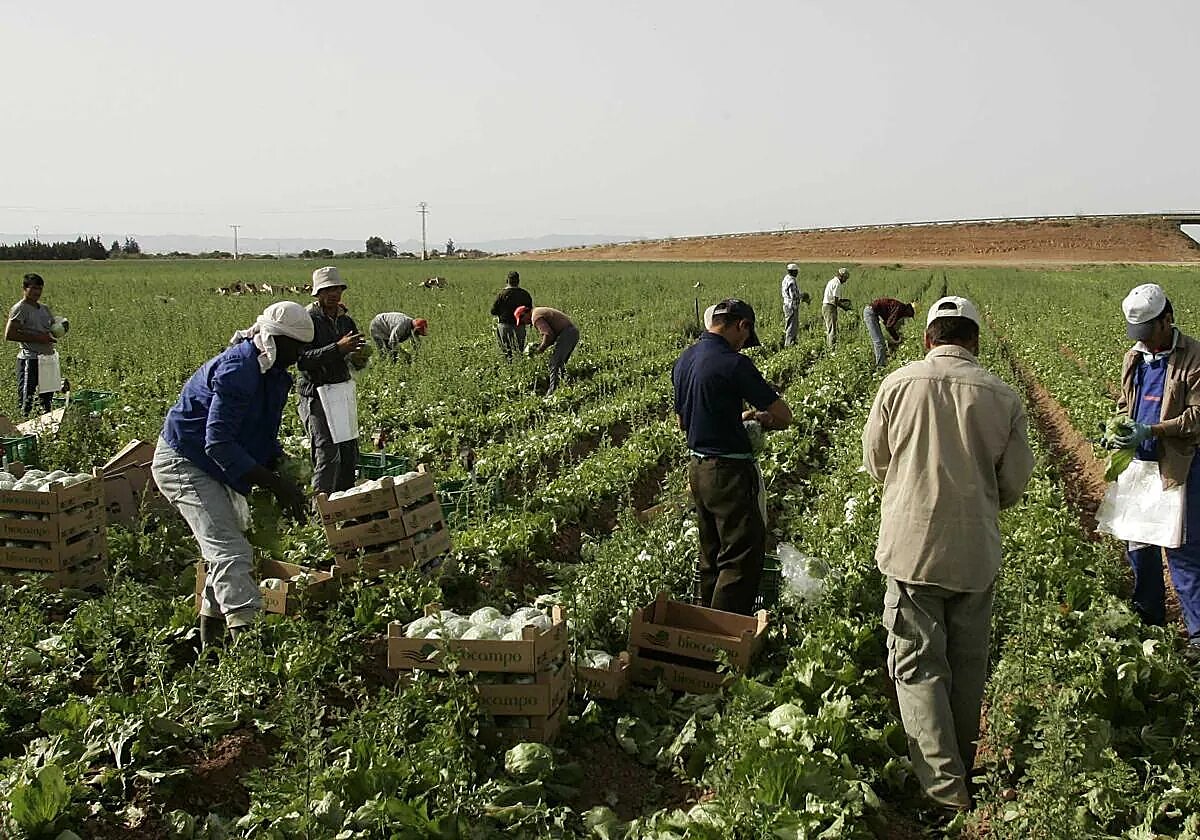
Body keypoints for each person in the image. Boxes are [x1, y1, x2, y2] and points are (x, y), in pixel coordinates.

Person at [862, 296, 1034, 812]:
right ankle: (960, 762)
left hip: (912, 550)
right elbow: (1014, 482)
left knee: (918, 666)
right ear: (975, 341)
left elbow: (876, 462)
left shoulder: (897, 385)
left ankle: (944, 792)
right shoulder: (1002, 396)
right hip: (974, 551)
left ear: (927, 338)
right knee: (966, 664)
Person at [151, 301, 312, 647]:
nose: (299, 356)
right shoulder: (239, 369)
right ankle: (248, 647)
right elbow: (218, 443)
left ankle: (211, 646)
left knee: (223, 551)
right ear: (276, 339)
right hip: (185, 463)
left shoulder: (273, 375)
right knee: (230, 550)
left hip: (211, 465)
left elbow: (260, 433)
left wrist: (280, 465)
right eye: (296, 347)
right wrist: (275, 485)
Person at [673, 299, 793, 615]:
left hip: (697, 468)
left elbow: (683, 421)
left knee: (711, 553)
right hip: (728, 472)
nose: (743, 345)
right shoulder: (734, 364)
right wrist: (761, 419)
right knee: (740, 555)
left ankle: (702, 624)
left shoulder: (685, 359)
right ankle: (724, 633)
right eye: (745, 337)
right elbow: (784, 416)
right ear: (742, 325)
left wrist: (734, 417)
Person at [1111, 283, 1200, 659]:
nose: (1143, 340)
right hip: (1139, 466)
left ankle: (1198, 635)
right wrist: (1118, 426)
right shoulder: (1134, 357)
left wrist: (1153, 430)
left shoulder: (1193, 357)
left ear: (1167, 319)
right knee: (1139, 547)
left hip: (1179, 466)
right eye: (1138, 333)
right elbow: (1125, 402)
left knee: (1182, 551)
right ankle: (1150, 623)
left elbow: (1197, 416)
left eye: (1148, 331)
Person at [297, 267, 367, 494]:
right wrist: (337, 348)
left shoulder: (346, 322)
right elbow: (302, 360)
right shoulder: (307, 321)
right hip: (315, 393)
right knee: (327, 452)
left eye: (337, 289)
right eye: (327, 290)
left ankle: (345, 505)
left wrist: (358, 357)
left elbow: (354, 358)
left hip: (340, 392)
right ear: (317, 293)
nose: (333, 294)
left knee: (348, 452)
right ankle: (321, 509)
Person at [6, 273, 58, 415]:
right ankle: (23, 424)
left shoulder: (44, 308)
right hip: (31, 359)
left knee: (46, 400)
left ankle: (44, 425)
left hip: (47, 359)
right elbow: (9, 334)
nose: (37, 292)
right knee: (27, 400)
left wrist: (59, 329)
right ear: (25, 288)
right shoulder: (20, 308)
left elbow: (51, 328)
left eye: (40, 288)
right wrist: (38, 338)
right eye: (33, 288)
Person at [518, 305, 579, 396]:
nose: (524, 323)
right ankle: (566, 387)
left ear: (525, 314)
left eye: (522, 320)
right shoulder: (538, 311)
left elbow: (548, 334)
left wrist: (540, 349)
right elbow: (550, 335)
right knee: (560, 364)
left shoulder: (536, 317)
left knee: (554, 363)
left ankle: (552, 393)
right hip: (571, 332)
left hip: (567, 334)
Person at [491, 271, 533, 361]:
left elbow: (493, 311)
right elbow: (530, 311)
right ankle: (519, 366)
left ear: (507, 281)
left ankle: (508, 366)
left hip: (504, 326)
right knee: (519, 351)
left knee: (506, 351)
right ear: (518, 281)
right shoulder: (525, 294)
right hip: (520, 326)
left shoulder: (501, 294)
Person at [863, 298, 916, 367]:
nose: (908, 317)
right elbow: (889, 326)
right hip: (870, 313)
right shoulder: (899, 309)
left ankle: (883, 360)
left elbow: (887, 322)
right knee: (879, 342)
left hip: (872, 312)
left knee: (880, 341)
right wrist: (897, 338)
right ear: (909, 311)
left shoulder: (900, 307)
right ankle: (880, 367)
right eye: (910, 315)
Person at [821, 267, 852, 349]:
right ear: (842, 276)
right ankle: (831, 349)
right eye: (845, 278)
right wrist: (845, 307)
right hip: (830, 307)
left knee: (830, 328)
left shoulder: (832, 281)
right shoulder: (837, 284)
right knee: (832, 329)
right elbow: (835, 301)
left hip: (827, 306)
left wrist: (843, 301)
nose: (845, 281)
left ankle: (830, 346)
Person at [781, 263, 802, 347]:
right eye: (796, 271)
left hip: (786, 304)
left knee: (789, 324)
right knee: (792, 326)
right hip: (791, 306)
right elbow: (794, 296)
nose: (797, 273)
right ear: (793, 272)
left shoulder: (786, 278)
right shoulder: (792, 281)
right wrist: (802, 296)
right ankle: (789, 345)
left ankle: (789, 342)